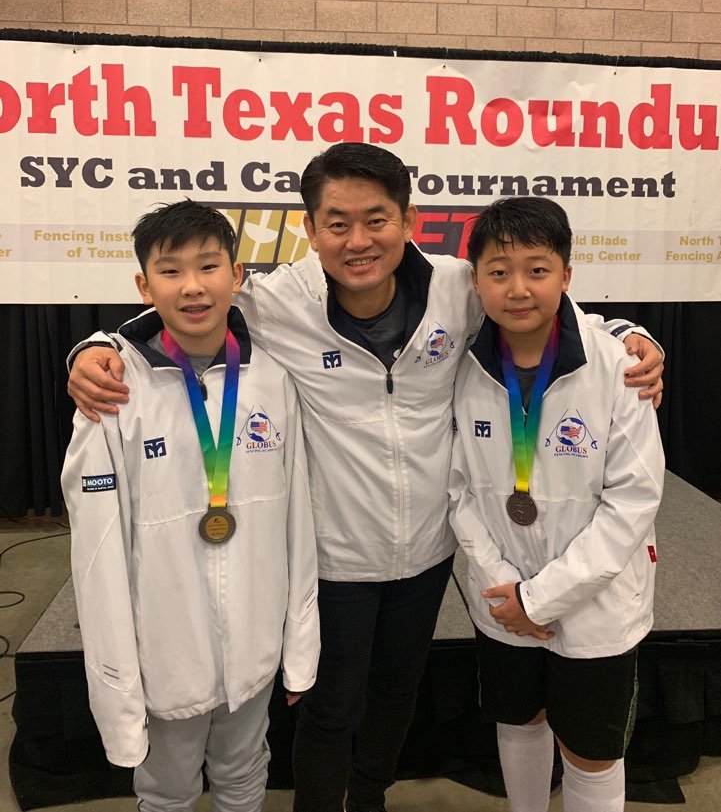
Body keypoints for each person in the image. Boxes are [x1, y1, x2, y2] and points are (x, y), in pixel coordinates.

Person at [66, 144, 664, 812]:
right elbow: (187, 309)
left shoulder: (454, 287)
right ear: (310, 228)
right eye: (336, 223)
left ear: (408, 219)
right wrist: (98, 347)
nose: (357, 241)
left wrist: (628, 332)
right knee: (330, 707)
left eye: (375, 219)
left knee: (395, 695)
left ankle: (371, 796)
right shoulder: (277, 299)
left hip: (427, 551)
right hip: (335, 554)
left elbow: (529, 299)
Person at [62, 200, 320, 812]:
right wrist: (121, 680)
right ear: (143, 285)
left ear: (237, 274)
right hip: (164, 651)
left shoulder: (273, 378)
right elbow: (95, 555)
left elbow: (299, 525)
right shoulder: (113, 391)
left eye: (209, 266)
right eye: (171, 271)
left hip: (253, 645)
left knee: (243, 775)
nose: (193, 286)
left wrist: (297, 646)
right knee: (167, 790)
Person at [449, 196, 664, 812]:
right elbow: (457, 488)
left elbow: (634, 499)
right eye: (499, 271)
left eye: (537, 270)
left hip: (595, 605)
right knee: (519, 721)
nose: (518, 288)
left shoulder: (616, 365)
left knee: (591, 750)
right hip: (500, 591)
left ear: (566, 275)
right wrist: (503, 585)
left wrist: (538, 599)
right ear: (476, 280)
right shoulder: (462, 366)